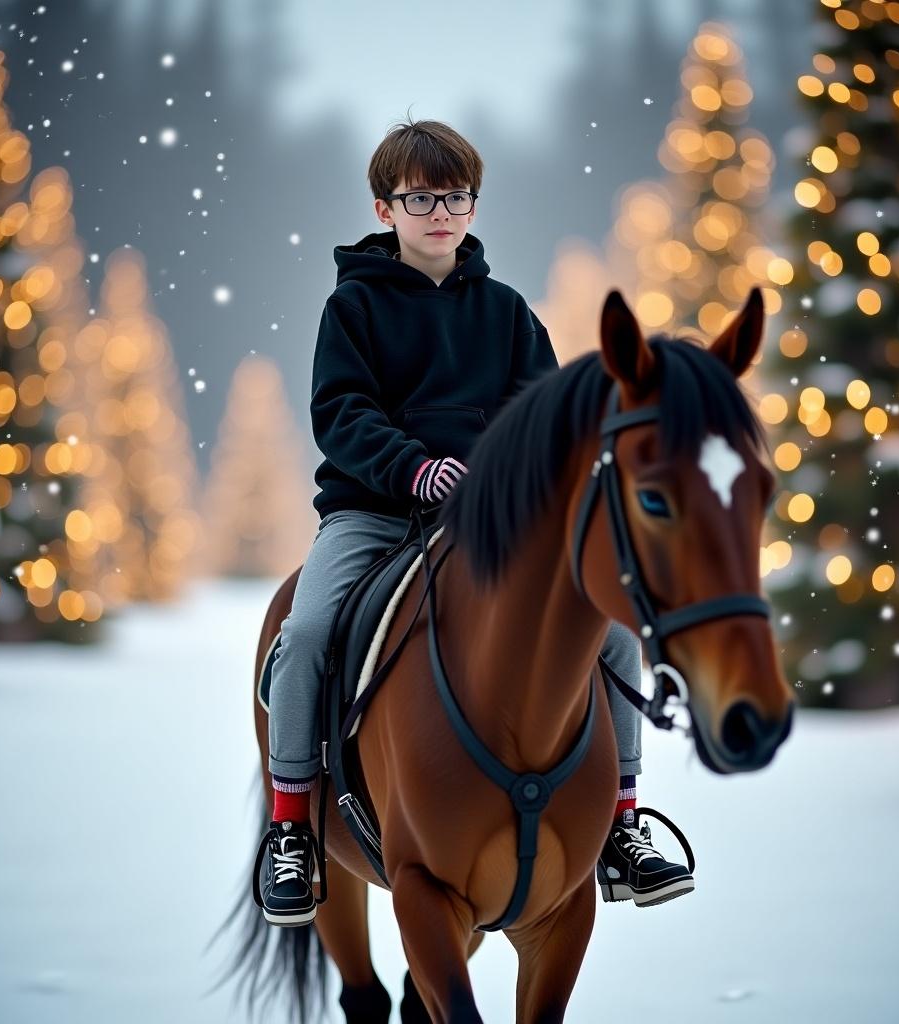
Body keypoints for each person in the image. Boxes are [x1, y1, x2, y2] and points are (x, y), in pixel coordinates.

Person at [255, 118, 694, 926]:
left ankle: (623, 825)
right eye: (420, 197)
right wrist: (413, 467)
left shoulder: (507, 311)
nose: (440, 212)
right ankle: (292, 829)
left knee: (616, 634)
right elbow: (341, 413)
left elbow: (545, 417)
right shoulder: (351, 308)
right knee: (309, 631)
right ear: (384, 207)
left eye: (456, 196)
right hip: (376, 512)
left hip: (493, 522)